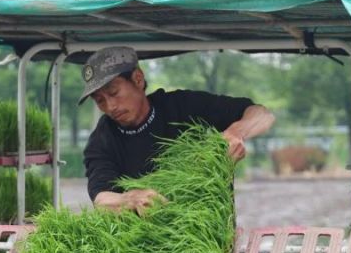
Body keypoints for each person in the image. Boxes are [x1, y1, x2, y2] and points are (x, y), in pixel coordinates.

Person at [80, 46, 275, 214]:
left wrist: (236, 132)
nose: (110, 106)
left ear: (138, 79)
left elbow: (261, 114)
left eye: (114, 93)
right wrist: (130, 199)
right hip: (141, 243)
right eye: (100, 100)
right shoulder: (102, 140)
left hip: (208, 230)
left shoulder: (182, 106)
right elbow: (101, 199)